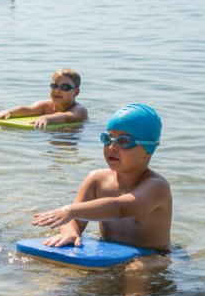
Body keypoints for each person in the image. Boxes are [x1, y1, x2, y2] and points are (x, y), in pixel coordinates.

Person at [31, 104, 171, 250]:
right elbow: (70, 218)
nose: (112, 147)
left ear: (148, 150)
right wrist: (70, 232)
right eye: (107, 138)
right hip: (108, 253)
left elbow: (119, 208)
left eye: (124, 141)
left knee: (136, 270)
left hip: (152, 255)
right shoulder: (96, 180)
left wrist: (68, 210)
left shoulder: (157, 186)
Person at [0, 68, 88, 129]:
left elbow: (67, 117)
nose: (58, 90)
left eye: (65, 87)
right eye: (54, 85)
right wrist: (6, 112)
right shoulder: (45, 106)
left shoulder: (80, 110)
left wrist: (46, 118)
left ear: (76, 92)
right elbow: (28, 109)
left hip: (71, 137)